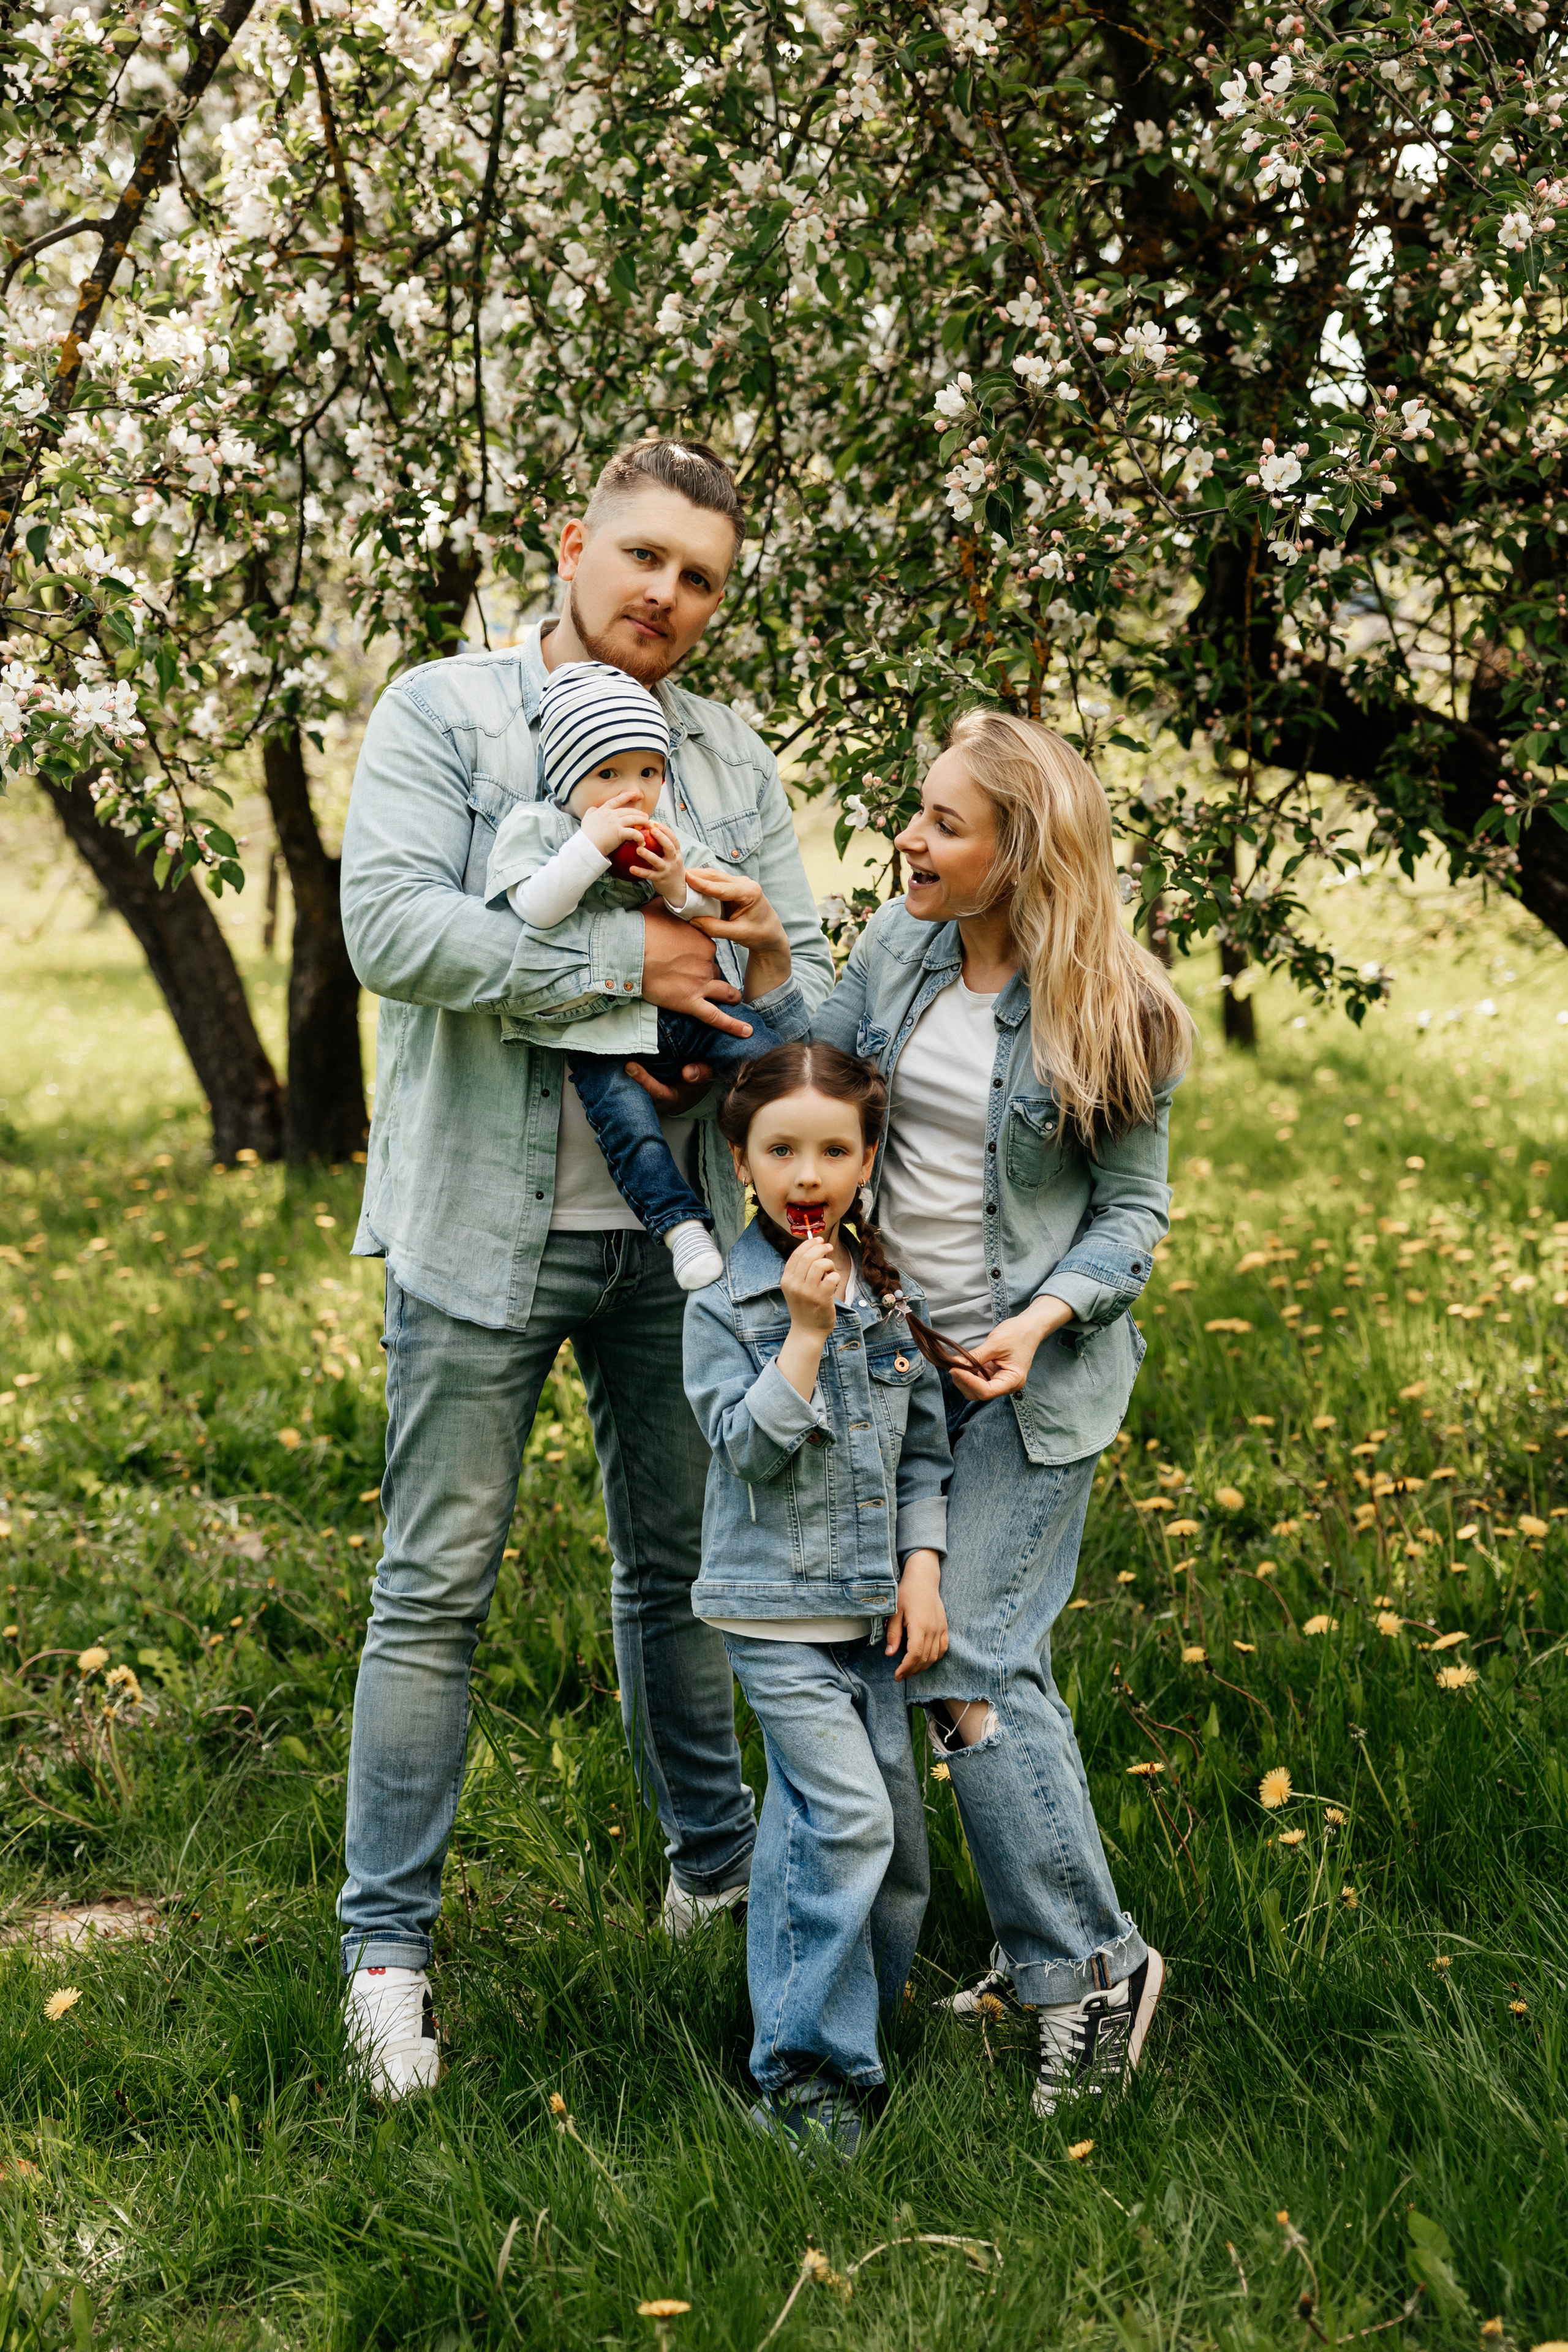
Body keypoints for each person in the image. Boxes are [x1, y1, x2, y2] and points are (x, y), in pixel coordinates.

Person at [336, 437, 834, 2098]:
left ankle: (716, 1873)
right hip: (480, 1225)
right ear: (571, 543)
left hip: (678, 1244)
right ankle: (385, 1954)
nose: (664, 598)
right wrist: (642, 975)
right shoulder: (443, 714)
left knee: (686, 1573)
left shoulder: (727, 754)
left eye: (699, 579)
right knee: (435, 1589)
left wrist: (741, 963)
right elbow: (397, 930)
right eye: (641, 559)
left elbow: (799, 974)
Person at [810, 709, 1193, 2119]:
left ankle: (1088, 1967)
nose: (908, 838)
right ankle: (1044, 1948)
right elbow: (814, 1069)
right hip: (898, 1381)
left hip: (1030, 1397)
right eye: (915, 812)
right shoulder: (897, 949)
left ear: (1020, 854)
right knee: (941, 1665)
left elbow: (1131, 1212)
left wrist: (1037, 1324)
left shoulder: (1120, 1008)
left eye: (942, 823)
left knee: (969, 1657)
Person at [683, 1041, 951, 2157]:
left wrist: (923, 1568)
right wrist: (800, 1335)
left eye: (832, 1150)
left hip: (869, 1616)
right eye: (780, 1150)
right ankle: (802, 2075)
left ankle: (861, 2032)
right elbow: (746, 1450)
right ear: (741, 1162)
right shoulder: (727, 1306)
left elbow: (924, 1453)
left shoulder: (888, 1298)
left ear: (867, 1158)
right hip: (776, 1615)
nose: (807, 1174)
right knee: (845, 1822)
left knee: (893, 1851)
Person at [486, 657, 786, 1292]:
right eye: (607, 773)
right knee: (628, 1125)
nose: (633, 790)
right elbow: (536, 908)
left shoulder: (664, 835)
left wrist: (675, 881)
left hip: (685, 1017)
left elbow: (715, 910)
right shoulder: (540, 829)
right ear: (567, 779)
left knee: (768, 1056)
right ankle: (680, 1226)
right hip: (598, 1032)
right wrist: (590, 847)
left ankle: (784, 1172)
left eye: (648, 771)